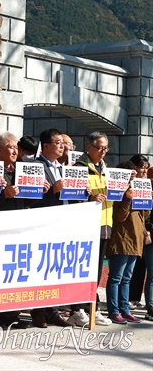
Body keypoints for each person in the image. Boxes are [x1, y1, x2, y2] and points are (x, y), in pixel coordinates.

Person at [0, 132, 30, 329]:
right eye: (11, 147)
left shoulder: (22, 170)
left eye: (16, 147)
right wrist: (4, 196)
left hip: (18, 227)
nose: (15, 151)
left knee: (13, 271)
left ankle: (11, 313)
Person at [29, 129, 75, 328]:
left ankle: (53, 310)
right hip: (43, 223)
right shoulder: (35, 166)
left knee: (56, 268)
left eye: (62, 143)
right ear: (45, 146)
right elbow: (29, 196)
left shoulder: (64, 167)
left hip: (63, 222)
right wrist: (52, 193)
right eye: (57, 142)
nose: (61, 146)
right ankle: (38, 312)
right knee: (41, 268)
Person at [74, 131, 114, 325]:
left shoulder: (107, 169)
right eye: (99, 148)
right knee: (84, 268)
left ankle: (92, 307)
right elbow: (72, 195)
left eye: (105, 148)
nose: (103, 152)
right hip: (87, 225)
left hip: (105, 224)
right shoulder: (79, 167)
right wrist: (88, 198)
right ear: (88, 147)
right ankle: (78, 309)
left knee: (97, 270)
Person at [106, 160, 147, 324]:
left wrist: (146, 200)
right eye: (131, 175)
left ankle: (125, 309)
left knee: (127, 278)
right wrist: (127, 200)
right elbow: (119, 217)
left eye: (134, 175)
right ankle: (114, 310)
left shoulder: (136, 188)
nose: (133, 177)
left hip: (135, 239)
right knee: (116, 277)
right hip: (122, 239)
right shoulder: (117, 191)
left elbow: (144, 216)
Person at [128, 157, 152, 310]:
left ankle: (137, 299)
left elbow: (147, 211)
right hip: (133, 231)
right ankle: (131, 299)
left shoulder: (147, 186)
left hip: (145, 231)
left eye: (146, 167)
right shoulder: (129, 186)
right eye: (141, 167)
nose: (143, 171)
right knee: (133, 268)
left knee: (143, 266)